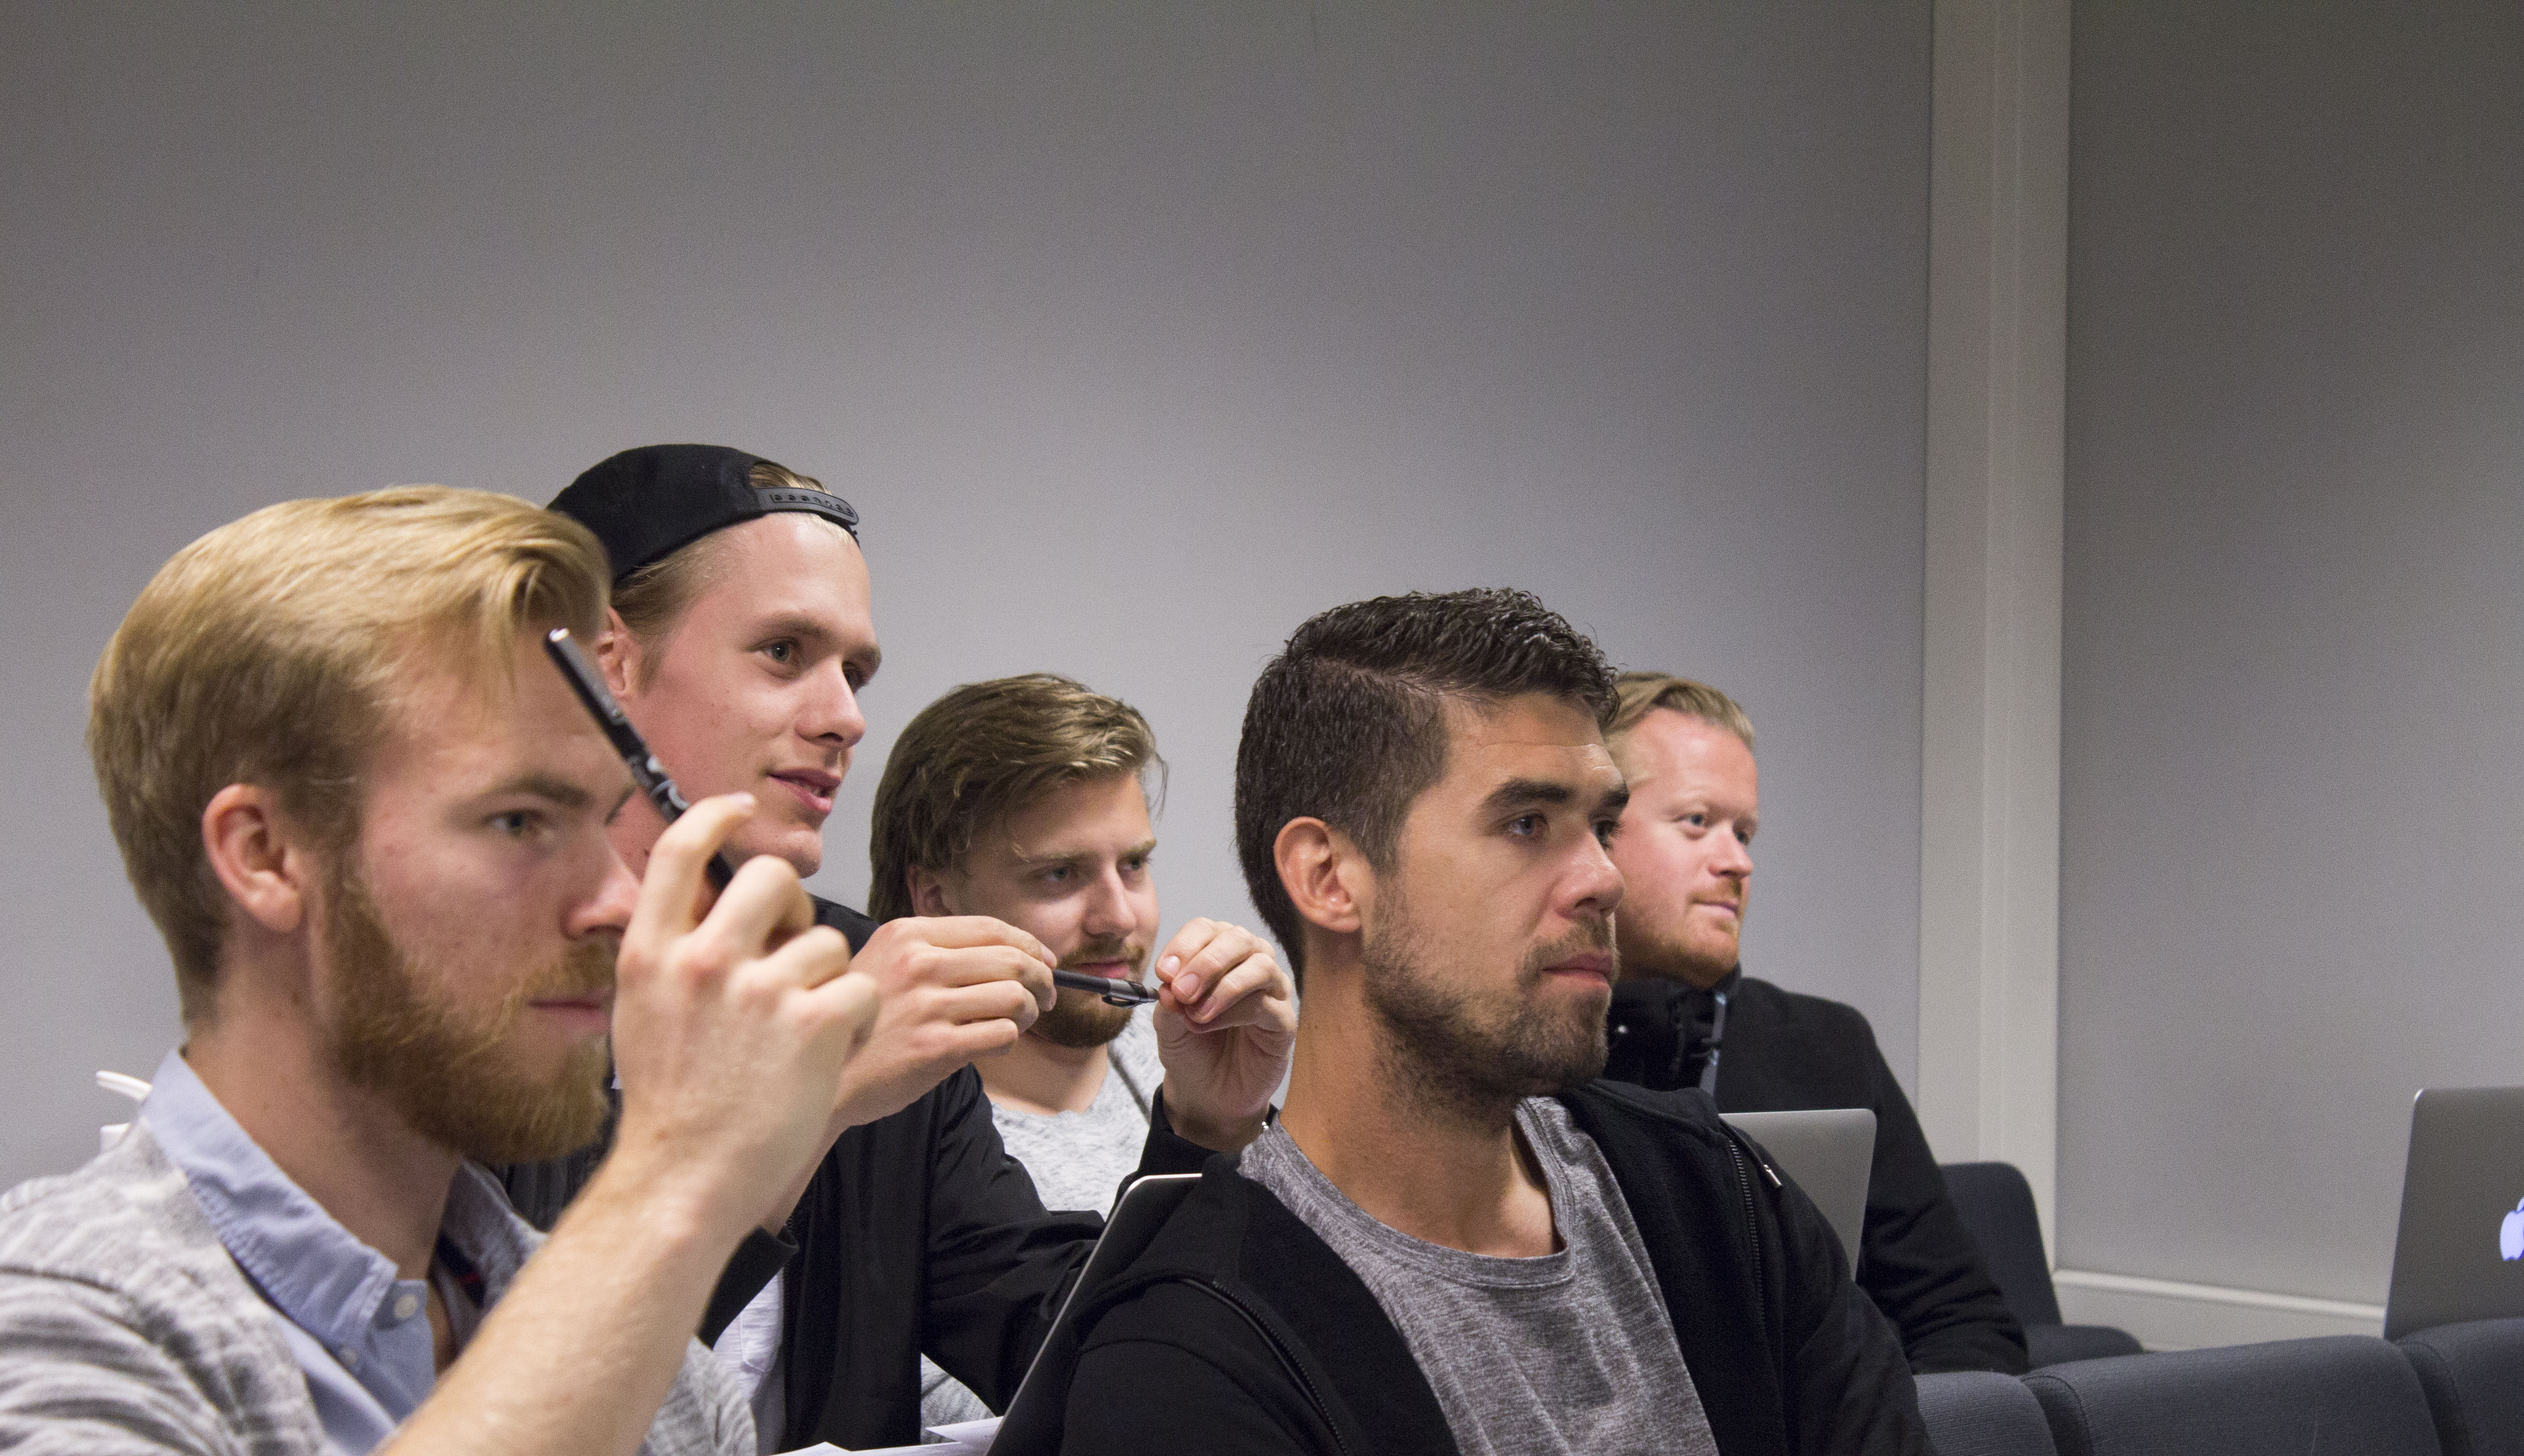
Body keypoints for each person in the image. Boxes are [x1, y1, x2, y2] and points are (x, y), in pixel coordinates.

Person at [0, 488, 881, 1455]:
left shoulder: (664, 1379)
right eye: (518, 821)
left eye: (600, 819)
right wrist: (674, 1182)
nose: (619, 903)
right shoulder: (55, 1324)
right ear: (265, 855)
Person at [506, 444, 1296, 1449]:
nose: (846, 718)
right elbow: (512, 1397)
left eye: (855, 670)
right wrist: (813, 1100)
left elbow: (1082, 1359)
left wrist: (1204, 1129)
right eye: (784, 651)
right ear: (605, 664)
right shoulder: (486, 980)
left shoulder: (868, 972)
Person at [1040, 589, 1928, 1456]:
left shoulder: (1717, 1194)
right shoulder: (1191, 1355)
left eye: (1604, 825)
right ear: (1329, 877)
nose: (1603, 881)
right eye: (1528, 822)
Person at [862, 673, 1286, 1429]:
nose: (1118, 918)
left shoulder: (1197, 1077)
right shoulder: (885, 1134)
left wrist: (1232, 1124)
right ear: (933, 899)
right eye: (1059, 875)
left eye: (1134, 864)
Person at [1597, 672, 2028, 1376]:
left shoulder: (1827, 1045)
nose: (1738, 861)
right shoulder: (1515, 1054)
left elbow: (1964, 1321)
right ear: (1597, 834)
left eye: (1745, 832)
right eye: (1697, 822)